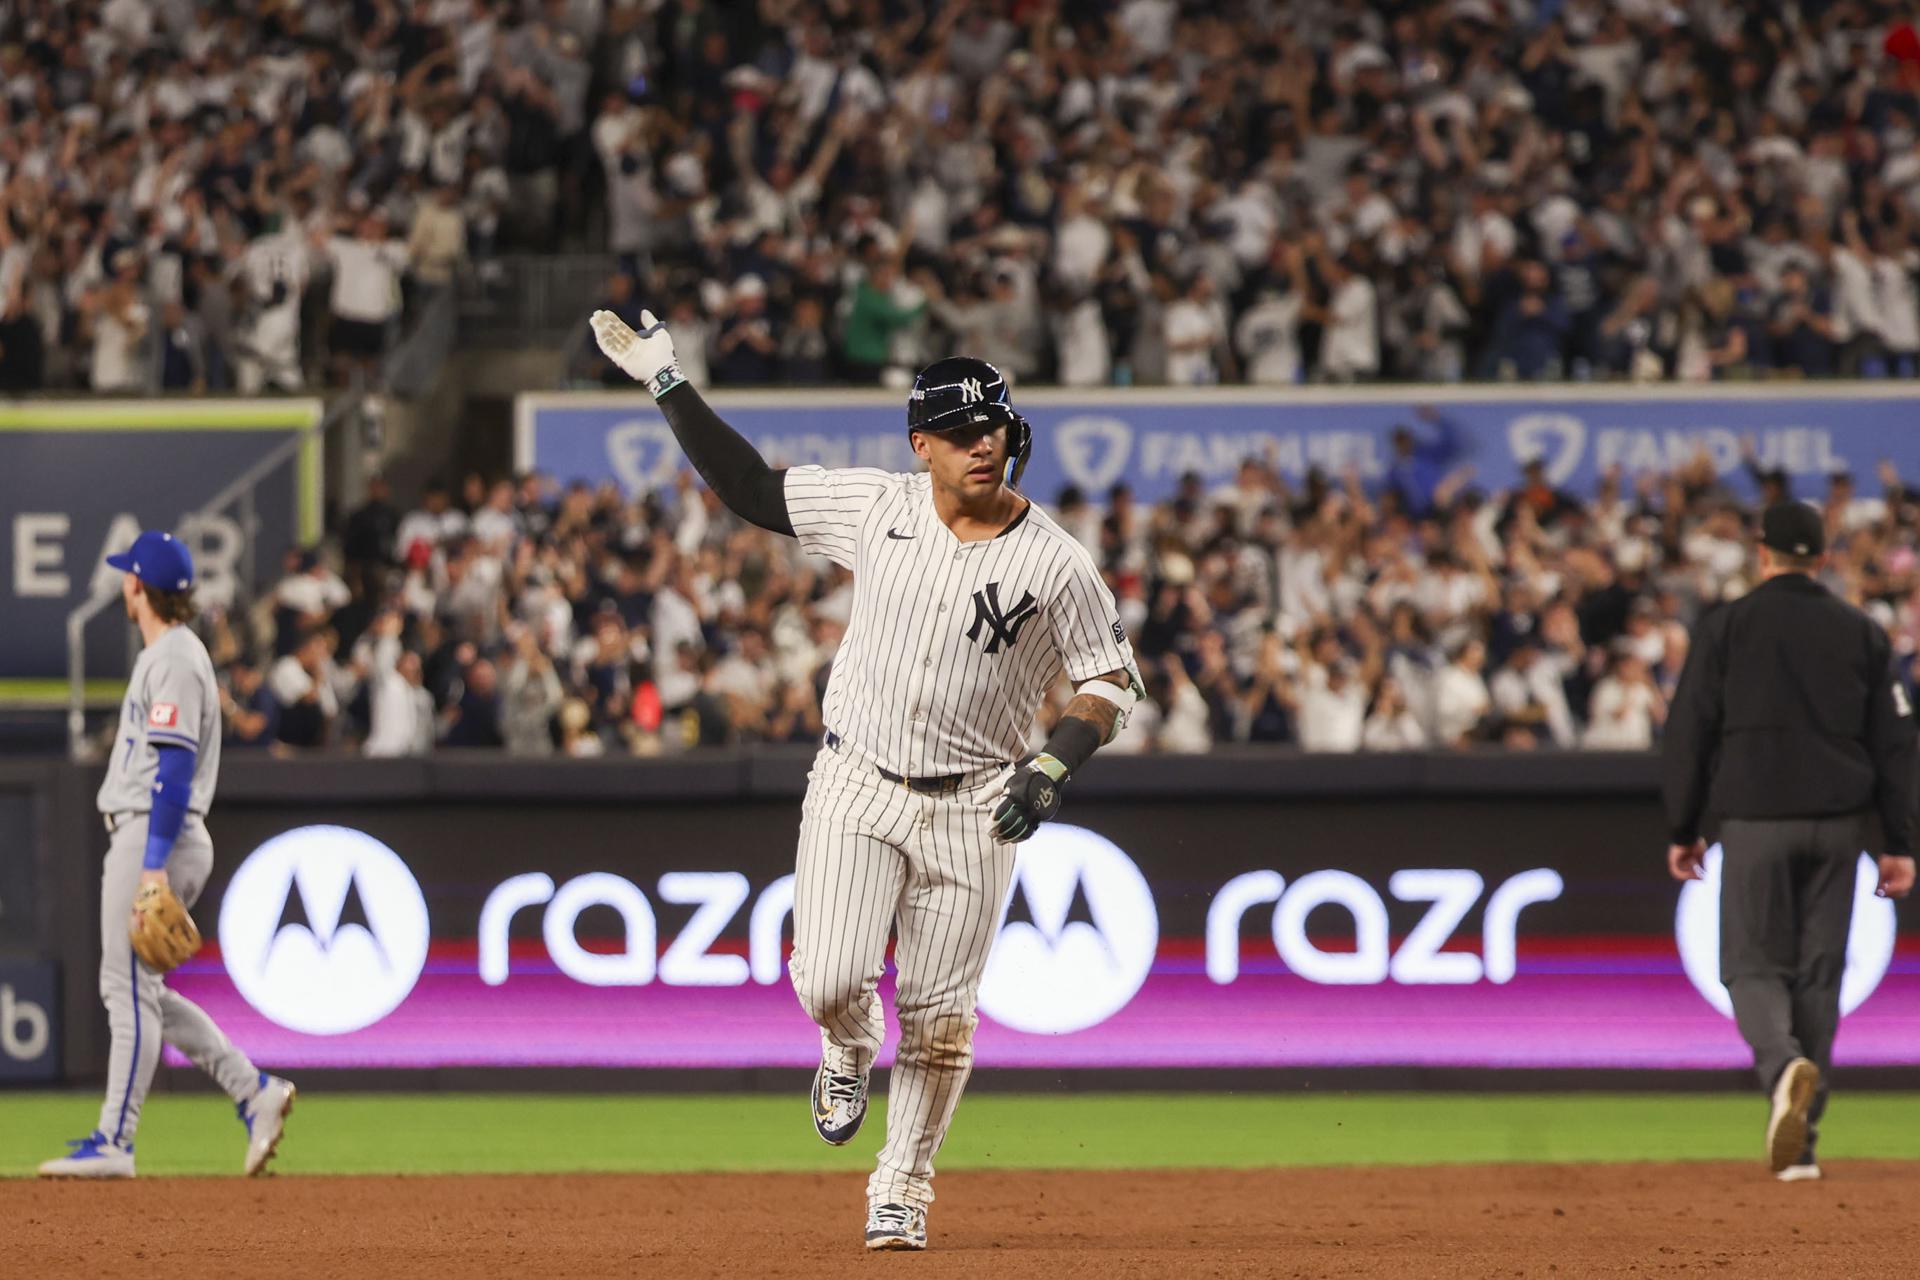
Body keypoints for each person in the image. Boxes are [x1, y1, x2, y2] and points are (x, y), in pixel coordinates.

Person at [591, 309, 1140, 1253]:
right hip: (858, 776)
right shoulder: (878, 504)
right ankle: (846, 1043)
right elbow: (754, 489)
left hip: (977, 799)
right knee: (830, 980)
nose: (983, 445)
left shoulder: (1055, 559)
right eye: (962, 432)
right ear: (922, 444)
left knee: (938, 1023)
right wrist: (668, 383)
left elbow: (1111, 680)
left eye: (996, 427)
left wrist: (1055, 762)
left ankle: (902, 1189)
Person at [1664, 501, 1917, 1183]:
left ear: (1763, 551)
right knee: (1818, 974)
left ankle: (1783, 1070)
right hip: (1839, 825)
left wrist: (1683, 827)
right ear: (1823, 557)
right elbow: (1896, 745)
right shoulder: (1860, 631)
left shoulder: (1727, 627)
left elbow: (1688, 732)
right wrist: (1900, 841)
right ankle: (1801, 1147)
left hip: (1753, 819)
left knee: (1750, 966)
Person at [38, 532, 295, 1179]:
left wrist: (153, 862)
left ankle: (114, 1142)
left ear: (137, 587)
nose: (123, 584)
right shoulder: (169, 652)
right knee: (139, 989)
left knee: (123, 988)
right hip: (154, 829)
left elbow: (174, 768)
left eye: (127, 576)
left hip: (156, 830)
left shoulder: (176, 657)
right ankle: (252, 1090)